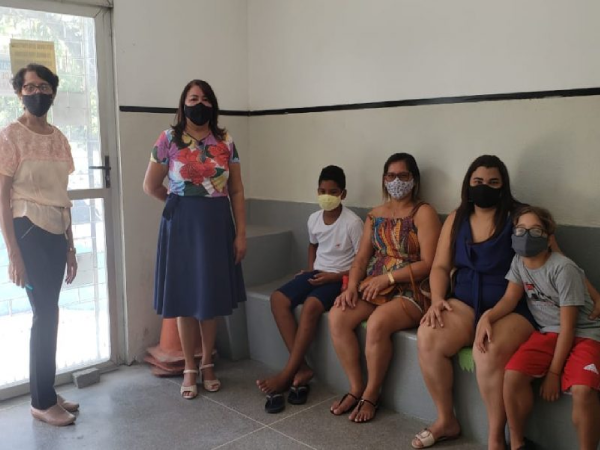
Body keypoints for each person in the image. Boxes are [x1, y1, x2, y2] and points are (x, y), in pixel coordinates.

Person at [412, 156, 600, 449]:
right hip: (463, 301)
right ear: (468, 184)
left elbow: (559, 259)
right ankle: (446, 419)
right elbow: (439, 266)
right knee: (428, 336)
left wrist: (595, 295)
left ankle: (496, 438)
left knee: (487, 350)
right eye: (478, 181)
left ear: (503, 186)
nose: (484, 187)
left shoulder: (520, 217)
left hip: (512, 307)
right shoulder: (456, 218)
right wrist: (437, 300)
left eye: (493, 182)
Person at [143, 79, 246, 399]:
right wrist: (178, 202)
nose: (199, 104)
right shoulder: (168, 139)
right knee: (186, 299)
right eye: (193, 98)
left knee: (209, 298)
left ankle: (207, 363)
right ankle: (189, 366)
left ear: (213, 105)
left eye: (205, 99)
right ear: (183, 103)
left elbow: (236, 190)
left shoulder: (226, 141)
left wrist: (241, 233)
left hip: (217, 224)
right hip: (182, 226)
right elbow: (150, 185)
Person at [475, 206, 600, 450]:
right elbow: (510, 299)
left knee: (583, 390)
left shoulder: (564, 269)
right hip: (549, 333)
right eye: (520, 230)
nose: (526, 236)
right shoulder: (519, 262)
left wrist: (553, 373)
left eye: (535, 230)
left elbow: (569, 327)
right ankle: (518, 443)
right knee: (512, 377)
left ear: (548, 237)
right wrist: (488, 317)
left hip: (584, 334)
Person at [329, 153, 441, 423]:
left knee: (378, 323)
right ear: (383, 179)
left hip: (412, 288)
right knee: (338, 316)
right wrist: (351, 287)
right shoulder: (375, 215)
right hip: (374, 285)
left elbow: (430, 263)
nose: (396, 181)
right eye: (391, 175)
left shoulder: (423, 213)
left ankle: (372, 393)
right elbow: (361, 259)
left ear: (414, 180)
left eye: (403, 175)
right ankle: (356, 386)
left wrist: (389, 278)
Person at [0, 64, 79, 426]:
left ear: (53, 92)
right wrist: (13, 253)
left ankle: (45, 388)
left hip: (56, 231)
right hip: (27, 230)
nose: (37, 93)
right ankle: (41, 401)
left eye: (44, 86)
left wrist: (71, 246)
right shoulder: (10, 137)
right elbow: (2, 199)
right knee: (43, 313)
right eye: (29, 87)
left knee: (50, 312)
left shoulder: (58, 138)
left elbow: (63, 196)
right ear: (19, 93)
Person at [256, 165, 363, 413]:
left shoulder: (353, 223)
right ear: (317, 191)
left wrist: (335, 276)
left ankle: (287, 373)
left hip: (339, 278)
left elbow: (362, 262)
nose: (327, 196)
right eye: (323, 191)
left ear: (343, 194)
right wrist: (310, 269)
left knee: (312, 306)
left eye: (333, 192)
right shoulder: (313, 219)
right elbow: (313, 245)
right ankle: (302, 368)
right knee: (278, 299)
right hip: (317, 273)